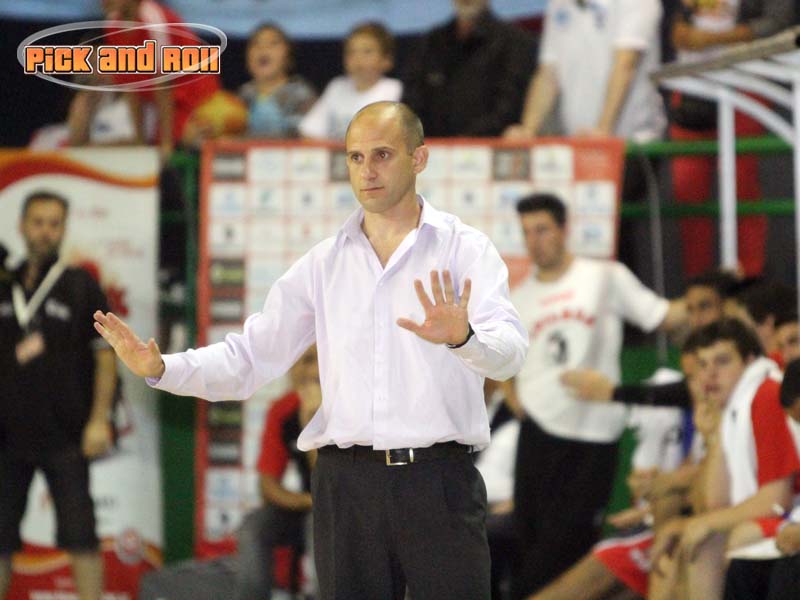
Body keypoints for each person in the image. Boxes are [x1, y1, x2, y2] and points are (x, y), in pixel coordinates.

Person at [95, 101, 529, 600]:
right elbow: (250, 357)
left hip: (439, 480)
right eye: (356, 157)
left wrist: (463, 337)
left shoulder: (464, 250)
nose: (367, 170)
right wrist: (163, 367)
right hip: (346, 485)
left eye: (383, 154)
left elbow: (511, 353)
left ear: (419, 158)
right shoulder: (323, 264)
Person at [506, 193, 685, 599]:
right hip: (538, 433)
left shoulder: (604, 277)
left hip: (592, 436)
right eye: (527, 232)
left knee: (568, 549)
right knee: (528, 540)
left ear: (563, 229)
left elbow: (662, 315)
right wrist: (512, 395)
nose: (535, 241)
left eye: (542, 229)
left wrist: (710, 302)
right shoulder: (518, 298)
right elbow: (503, 361)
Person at [0, 191, 117, 600]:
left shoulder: (80, 285)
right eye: (38, 222)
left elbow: (105, 357)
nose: (45, 231)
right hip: (6, 436)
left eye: (54, 223)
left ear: (64, 229)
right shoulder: (4, 283)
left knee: (82, 537)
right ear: (22, 226)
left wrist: (99, 420)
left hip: (66, 435)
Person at [648, 319, 799, 600]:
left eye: (722, 361)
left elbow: (777, 500)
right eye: (703, 365)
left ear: (749, 360)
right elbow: (715, 502)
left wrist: (704, 523)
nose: (710, 375)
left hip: (791, 514)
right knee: (683, 544)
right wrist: (713, 435)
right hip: (780, 514)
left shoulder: (766, 394)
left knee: (703, 543)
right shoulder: (733, 407)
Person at [668, 0, 794, 277]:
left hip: (747, 80)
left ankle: (748, 280)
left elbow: (779, 23)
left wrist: (713, 39)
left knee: (740, 182)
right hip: (690, 82)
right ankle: (699, 286)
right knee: (688, 187)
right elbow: (677, 22)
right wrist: (681, 26)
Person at [401, 0, 535, 137]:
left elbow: (508, 109)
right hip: (431, 145)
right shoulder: (430, 43)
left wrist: (464, 143)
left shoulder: (515, 43)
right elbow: (412, 102)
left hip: (490, 144)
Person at [299, 23, 402, 140]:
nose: (358, 59)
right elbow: (308, 132)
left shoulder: (394, 89)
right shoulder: (337, 87)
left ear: (387, 60)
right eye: (351, 52)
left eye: (367, 51)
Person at [238, 23, 317, 139]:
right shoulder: (243, 94)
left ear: (288, 56)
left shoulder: (301, 94)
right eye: (255, 44)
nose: (263, 49)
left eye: (273, 43)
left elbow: (312, 135)